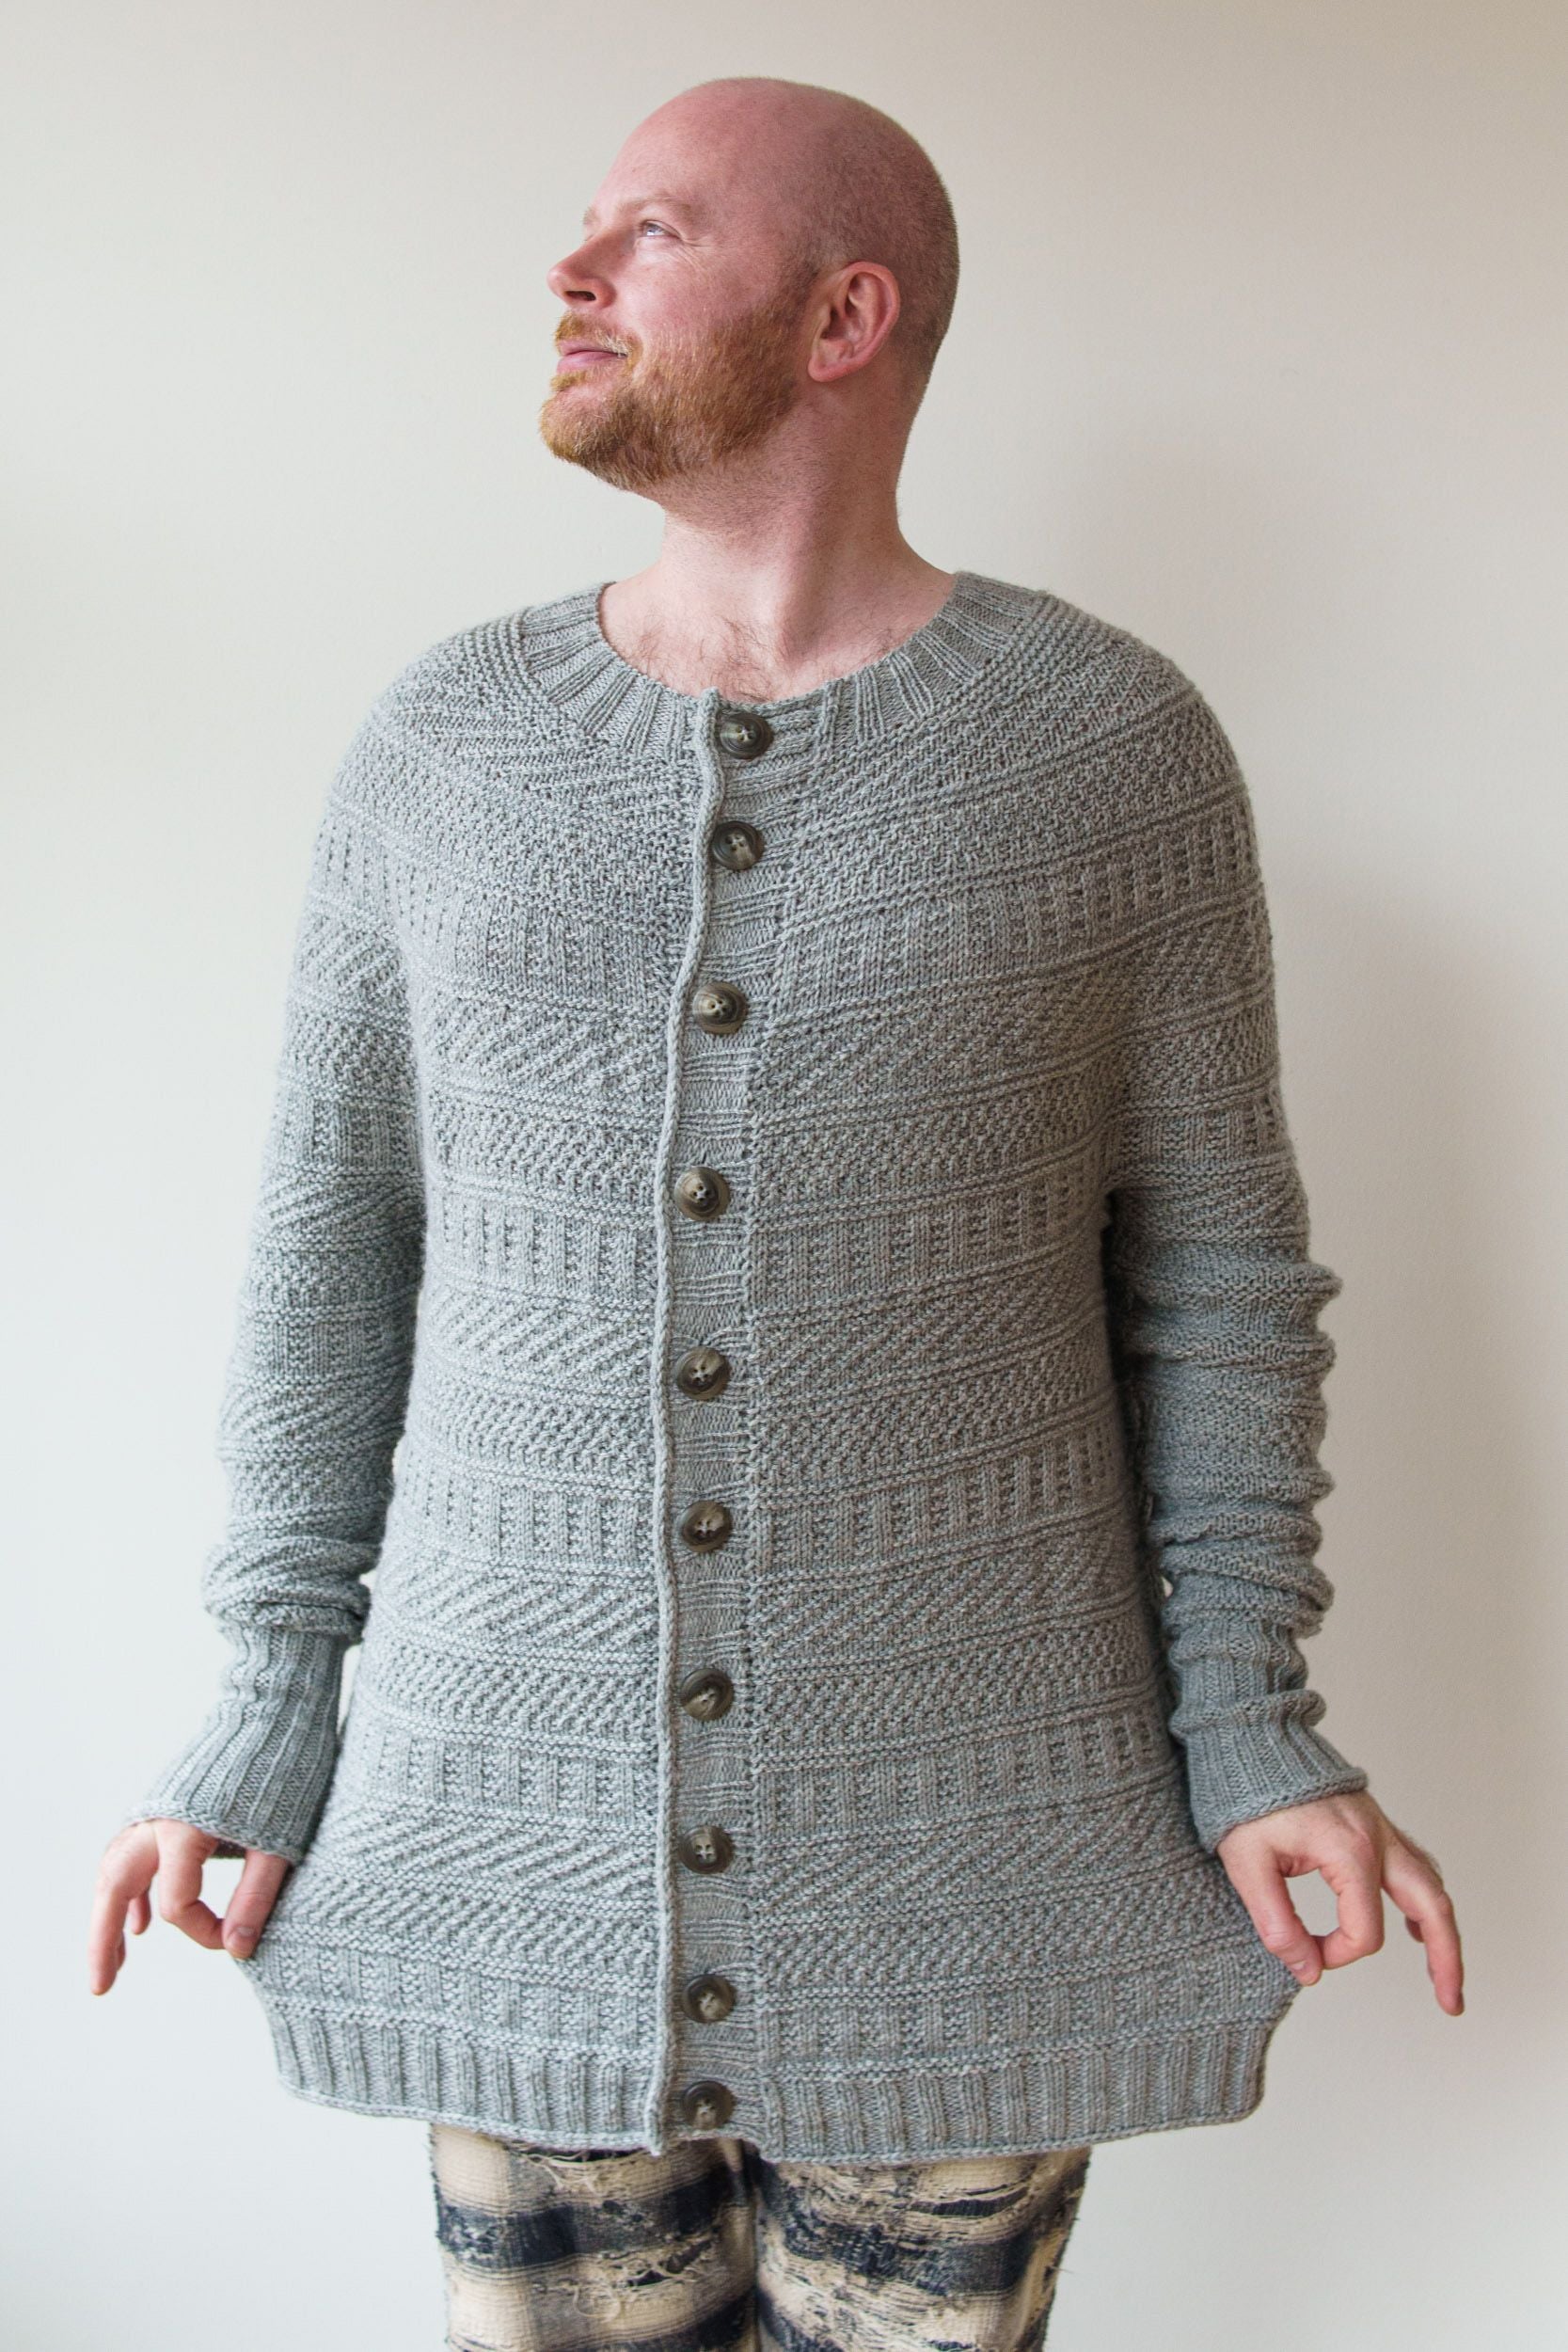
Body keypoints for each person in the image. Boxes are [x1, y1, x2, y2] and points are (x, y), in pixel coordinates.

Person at [88, 73, 1464, 2352]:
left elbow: (1217, 1287)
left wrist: (1253, 1725)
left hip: (970, 1870)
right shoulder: (442, 751)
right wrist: (263, 1703)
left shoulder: (1108, 756)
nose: (571, 268)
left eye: (652, 230)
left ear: (844, 316)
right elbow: (333, 1258)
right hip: (508, 1851)